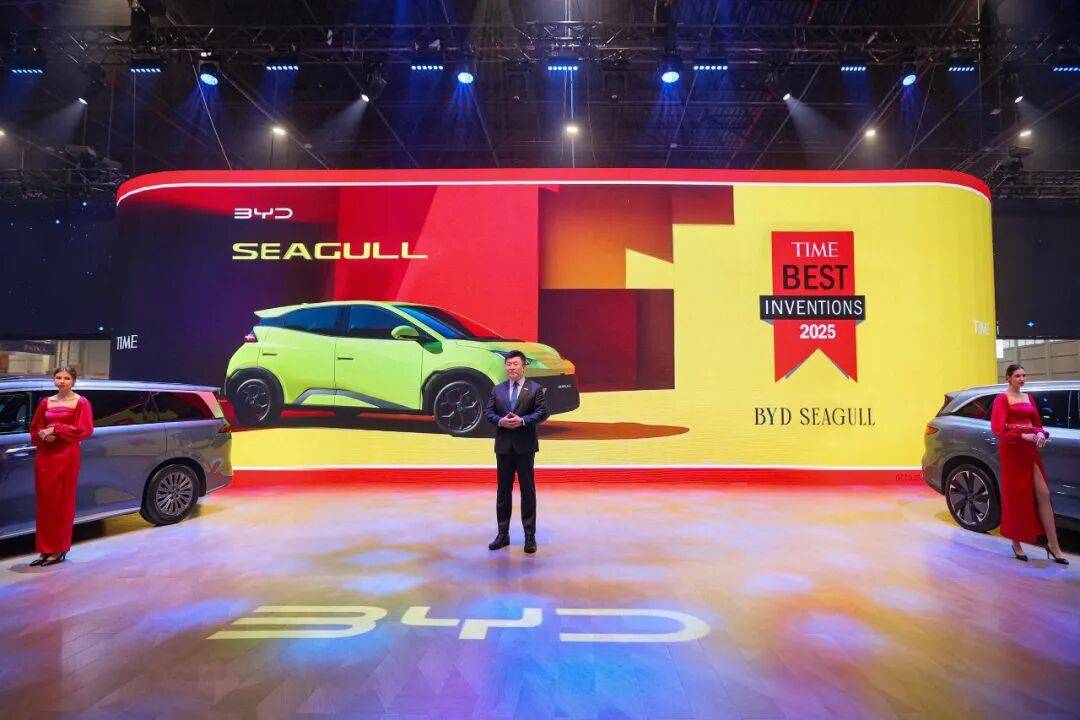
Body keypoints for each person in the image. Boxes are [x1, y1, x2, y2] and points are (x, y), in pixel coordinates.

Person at [990, 363, 1068, 565]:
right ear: (1008, 378)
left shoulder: (1028, 397)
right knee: (1015, 496)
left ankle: (1054, 545)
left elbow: (1037, 424)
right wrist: (1023, 435)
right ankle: (1016, 544)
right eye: (1018, 376)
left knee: (1044, 494)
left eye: (1024, 375)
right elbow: (999, 429)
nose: (1022, 379)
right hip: (1012, 451)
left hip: (1029, 450)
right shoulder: (1002, 399)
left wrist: (1040, 433)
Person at [483, 350, 549, 554]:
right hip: (504, 447)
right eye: (508, 364)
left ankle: (530, 537)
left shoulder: (535, 389)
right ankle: (502, 535)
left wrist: (523, 421)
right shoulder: (497, 389)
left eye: (515, 364)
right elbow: (488, 412)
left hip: (525, 446)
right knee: (503, 492)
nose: (511, 367)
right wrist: (500, 421)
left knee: (527, 491)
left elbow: (542, 412)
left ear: (523, 366)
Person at [28, 366, 94, 567]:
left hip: (66, 455)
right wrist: (42, 434)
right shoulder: (46, 402)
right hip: (45, 455)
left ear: (73, 381)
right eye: (58, 377)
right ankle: (45, 549)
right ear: (54, 379)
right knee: (45, 502)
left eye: (66, 378)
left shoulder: (81, 402)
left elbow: (84, 429)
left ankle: (59, 549)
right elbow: (35, 427)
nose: (62, 381)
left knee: (62, 501)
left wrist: (56, 429)